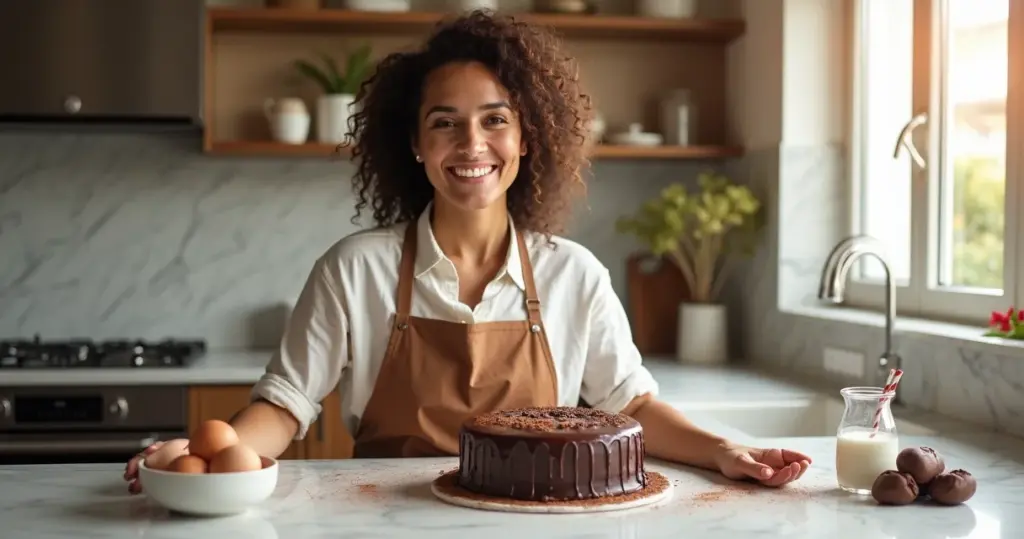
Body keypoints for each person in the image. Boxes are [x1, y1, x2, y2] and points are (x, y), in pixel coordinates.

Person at [124, 10, 810, 494]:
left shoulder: (575, 275)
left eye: (494, 120)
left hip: (535, 524)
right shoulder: (354, 269)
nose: (471, 145)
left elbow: (630, 404)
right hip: (384, 523)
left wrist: (725, 450)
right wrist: (211, 453)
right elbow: (283, 405)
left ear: (527, 139)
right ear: (416, 144)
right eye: (444, 123)